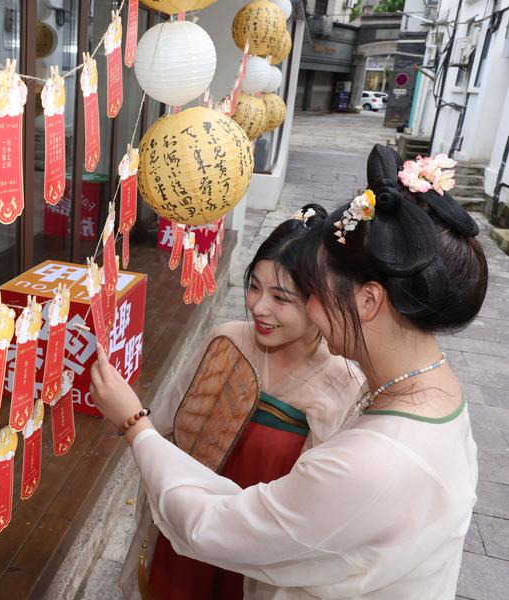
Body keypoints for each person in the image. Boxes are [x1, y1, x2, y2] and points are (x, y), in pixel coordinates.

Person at [94, 144, 487, 599]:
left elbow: (214, 527)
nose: (308, 306)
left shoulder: (375, 462)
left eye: (313, 291)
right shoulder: (437, 396)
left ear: (368, 301)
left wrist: (132, 424)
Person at [140, 204, 364, 600]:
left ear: (319, 303)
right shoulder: (226, 341)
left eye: (280, 297)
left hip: (262, 561)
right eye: (254, 286)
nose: (259, 307)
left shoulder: (342, 386)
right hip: (189, 535)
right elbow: (167, 429)